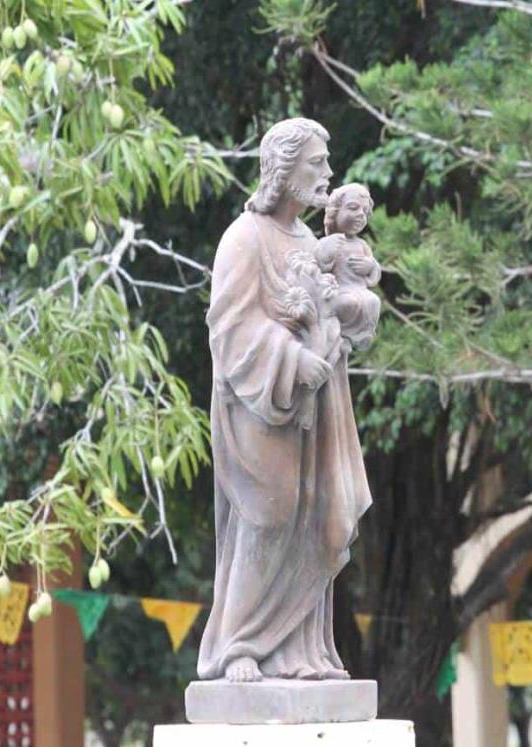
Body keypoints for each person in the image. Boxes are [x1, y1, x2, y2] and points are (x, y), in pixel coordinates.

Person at [198, 118, 373, 683]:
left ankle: (302, 653)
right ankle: (239, 645)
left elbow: (347, 307)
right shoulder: (244, 238)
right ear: (284, 168)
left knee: (314, 516)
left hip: (318, 406)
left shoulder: (312, 243)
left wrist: (347, 313)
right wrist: (292, 358)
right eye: (316, 163)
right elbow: (229, 327)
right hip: (260, 403)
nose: (327, 173)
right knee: (271, 512)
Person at [315, 183, 382, 351]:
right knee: (348, 303)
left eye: (365, 211)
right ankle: (341, 334)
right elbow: (318, 267)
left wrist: (371, 266)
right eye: (353, 208)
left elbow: (375, 270)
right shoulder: (329, 242)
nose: (360, 215)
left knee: (373, 301)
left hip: (359, 288)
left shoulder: (362, 244)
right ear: (335, 212)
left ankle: (362, 335)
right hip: (341, 290)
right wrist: (327, 253)